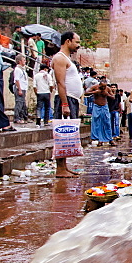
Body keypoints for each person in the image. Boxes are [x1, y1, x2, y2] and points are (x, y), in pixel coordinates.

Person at [52, 31, 83, 178]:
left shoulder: (66, 59)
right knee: (62, 133)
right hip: (66, 99)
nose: (78, 45)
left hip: (72, 99)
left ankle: (64, 166)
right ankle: (60, 169)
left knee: (67, 135)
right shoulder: (59, 58)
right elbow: (60, 83)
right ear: (68, 41)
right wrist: (65, 104)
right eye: (76, 42)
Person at [12, 55, 30, 123]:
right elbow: (17, 80)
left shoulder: (22, 69)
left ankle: (22, 117)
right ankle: (17, 118)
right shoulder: (17, 69)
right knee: (19, 103)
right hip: (20, 88)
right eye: (24, 60)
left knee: (22, 103)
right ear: (19, 61)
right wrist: (19, 89)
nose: (25, 61)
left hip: (23, 88)